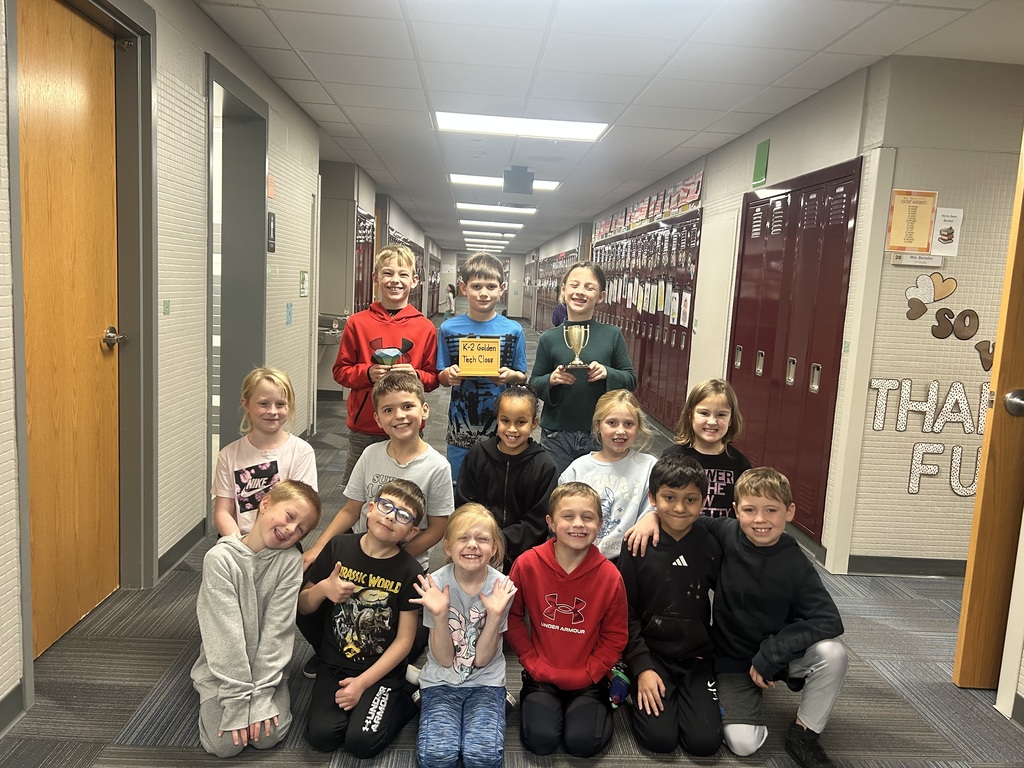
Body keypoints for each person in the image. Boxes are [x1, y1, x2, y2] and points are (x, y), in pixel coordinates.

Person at [658, 467, 846, 767]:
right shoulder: (727, 532)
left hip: (778, 655)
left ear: (789, 512)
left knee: (833, 654)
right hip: (732, 659)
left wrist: (771, 655)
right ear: (736, 511)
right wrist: (649, 518)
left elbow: (828, 619)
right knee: (743, 745)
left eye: (771, 510)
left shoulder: (794, 562)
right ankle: (744, 701)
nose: (760, 519)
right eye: (750, 510)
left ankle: (804, 733)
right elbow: (685, 517)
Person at [191, 480, 322, 758]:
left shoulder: (289, 562)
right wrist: (238, 700)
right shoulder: (220, 558)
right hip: (223, 669)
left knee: (267, 737)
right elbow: (224, 635)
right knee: (225, 746)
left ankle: (261, 691)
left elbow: (278, 631)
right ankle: (216, 692)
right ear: (265, 504)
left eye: (301, 529)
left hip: (268, 671)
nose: (291, 529)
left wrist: (261, 694)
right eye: (289, 516)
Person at [298, 479, 425, 757]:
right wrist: (323, 589)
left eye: (403, 515)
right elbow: (303, 608)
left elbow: (404, 641)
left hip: (381, 670)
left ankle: (407, 695)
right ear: (369, 508)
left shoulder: (410, 571)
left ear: (412, 531)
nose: (391, 516)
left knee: (362, 743)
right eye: (386, 506)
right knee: (322, 737)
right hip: (334, 664)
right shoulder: (337, 548)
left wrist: (363, 683)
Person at [506, 482, 628, 757]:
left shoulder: (610, 576)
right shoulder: (527, 564)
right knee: (540, 741)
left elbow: (616, 635)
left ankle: (616, 681)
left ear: (600, 525)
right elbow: (511, 617)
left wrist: (593, 671)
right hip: (541, 675)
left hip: (589, 678)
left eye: (588, 517)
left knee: (582, 744)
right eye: (568, 516)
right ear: (551, 522)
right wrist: (530, 661)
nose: (578, 524)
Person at [616, 455, 723, 756]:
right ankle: (630, 681)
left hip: (696, 657)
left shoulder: (713, 544)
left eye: (690, 499)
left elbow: (727, 604)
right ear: (653, 498)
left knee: (704, 744)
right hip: (651, 654)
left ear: (704, 501)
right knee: (659, 739)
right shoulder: (636, 544)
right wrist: (642, 667)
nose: (679, 508)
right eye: (669, 497)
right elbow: (625, 611)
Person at [302, 372, 452, 573]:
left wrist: (391, 560)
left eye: (408, 406)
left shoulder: (438, 466)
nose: (399, 415)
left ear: (424, 410)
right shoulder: (370, 454)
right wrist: (318, 548)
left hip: (404, 563)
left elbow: (437, 529)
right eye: (388, 410)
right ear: (378, 419)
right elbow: (351, 510)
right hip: (361, 554)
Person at [412, 504, 518, 768]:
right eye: (463, 538)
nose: (472, 544)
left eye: (482, 539)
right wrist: (439, 614)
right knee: (436, 758)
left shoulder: (501, 588)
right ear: (448, 548)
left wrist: (494, 615)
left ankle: (498, 701)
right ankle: (425, 693)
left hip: (486, 680)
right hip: (442, 678)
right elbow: (444, 659)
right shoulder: (435, 584)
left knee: (482, 758)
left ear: (494, 548)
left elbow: (482, 660)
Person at [332, 244, 440, 486]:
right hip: (366, 426)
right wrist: (367, 373)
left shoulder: (424, 327)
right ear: (375, 278)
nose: (395, 281)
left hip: (408, 425)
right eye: (387, 273)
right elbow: (340, 371)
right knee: (358, 491)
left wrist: (416, 375)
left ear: (414, 280)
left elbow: (433, 378)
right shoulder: (357, 323)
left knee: (408, 492)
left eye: (403, 274)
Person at [529, 261, 636, 477]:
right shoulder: (549, 338)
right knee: (556, 489)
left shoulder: (612, 335)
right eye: (574, 285)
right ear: (563, 290)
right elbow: (534, 384)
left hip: (599, 432)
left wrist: (607, 373)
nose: (580, 292)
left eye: (589, 287)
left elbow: (630, 379)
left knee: (596, 491)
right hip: (557, 434)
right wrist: (551, 379)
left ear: (601, 296)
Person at [437, 251, 528, 480]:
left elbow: (522, 376)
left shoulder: (513, 330)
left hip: (502, 429)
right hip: (460, 425)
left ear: (502, 288)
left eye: (491, 286)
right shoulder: (448, 329)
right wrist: (448, 375)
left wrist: (510, 376)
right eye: (476, 286)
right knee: (460, 486)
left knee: (497, 487)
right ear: (463, 287)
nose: (484, 293)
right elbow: (441, 376)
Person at [455, 384, 558, 571]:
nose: (512, 429)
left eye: (521, 422)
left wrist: (501, 542)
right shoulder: (478, 455)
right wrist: (483, 540)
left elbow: (537, 520)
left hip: (523, 555)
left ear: (534, 422)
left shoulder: (544, 466)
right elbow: (464, 502)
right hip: (477, 547)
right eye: (505, 420)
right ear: (497, 419)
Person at [212, 367, 318, 537]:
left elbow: (303, 510)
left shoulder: (301, 452)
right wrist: (240, 545)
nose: (273, 411)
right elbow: (223, 512)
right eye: (263, 404)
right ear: (246, 404)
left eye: (280, 404)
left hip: (283, 538)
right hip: (238, 539)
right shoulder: (228, 455)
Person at [559, 389, 657, 560]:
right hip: (583, 557)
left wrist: (653, 516)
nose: (621, 431)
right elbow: (561, 515)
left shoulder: (649, 466)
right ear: (598, 425)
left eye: (629, 424)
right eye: (612, 423)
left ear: (638, 426)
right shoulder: (578, 469)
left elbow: (661, 506)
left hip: (631, 559)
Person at [664, 378, 751, 518]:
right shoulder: (671, 457)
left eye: (721, 415)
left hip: (723, 532)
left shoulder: (740, 464)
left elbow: (747, 508)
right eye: (704, 413)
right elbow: (659, 502)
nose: (712, 421)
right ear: (690, 415)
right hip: (682, 530)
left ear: (731, 420)